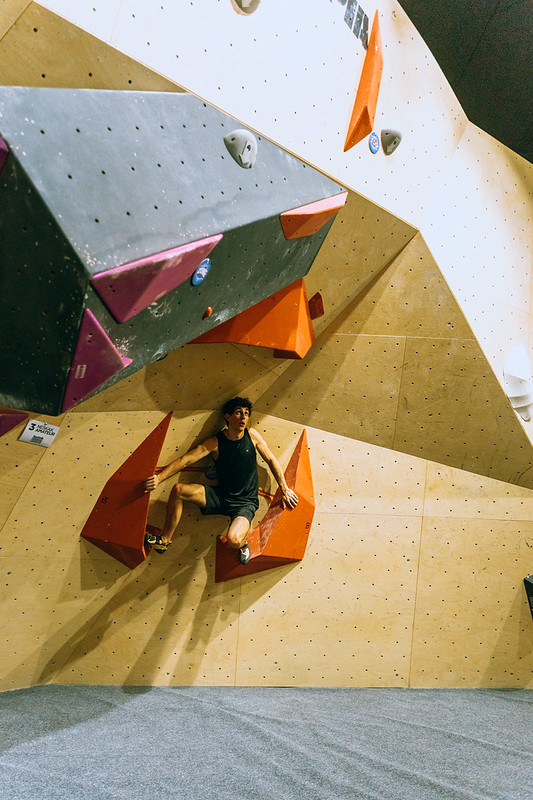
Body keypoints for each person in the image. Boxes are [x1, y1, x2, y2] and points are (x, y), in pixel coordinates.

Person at [143, 397, 298, 564]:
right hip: (220, 496)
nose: (243, 417)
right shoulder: (215, 442)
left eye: (246, 414)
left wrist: (284, 488)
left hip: (245, 503)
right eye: (238, 413)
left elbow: (271, 460)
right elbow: (186, 460)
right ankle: (164, 540)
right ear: (228, 417)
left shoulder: (251, 436)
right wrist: (159, 478)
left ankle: (243, 544)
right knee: (179, 490)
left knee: (233, 540)